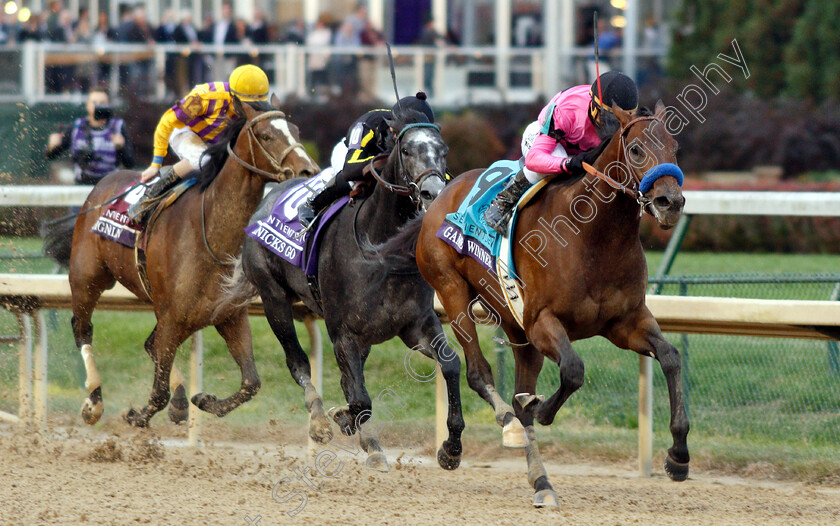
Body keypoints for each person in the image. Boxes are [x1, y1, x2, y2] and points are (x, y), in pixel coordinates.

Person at [483, 71, 639, 234]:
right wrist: (568, 164)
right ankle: (501, 204)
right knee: (558, 163)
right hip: (545, 141)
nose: (612, 127)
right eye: (608, 119)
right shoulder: (568, 110)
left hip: (582, 151)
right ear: (594, 105)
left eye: (618, 120)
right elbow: (534, 158)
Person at [128, 64, 270, 223]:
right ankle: (148, 199)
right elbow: (166, 123)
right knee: (202, 160)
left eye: (255, 105)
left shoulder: (256, 105)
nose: (250, 109)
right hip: (186, 132)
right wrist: (156, 163)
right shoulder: (205, 97)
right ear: (233, 95)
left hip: (216, 143)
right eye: (246, 104)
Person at [297, 92, 435, 228]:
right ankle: (313, 204)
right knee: (358, 179)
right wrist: (383, 164)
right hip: (351, 155)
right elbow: (350, 170)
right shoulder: (369, 124)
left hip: (388, 161)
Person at [45, 88, 135, 185]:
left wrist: (121, 147)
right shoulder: (76, 127)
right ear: (87, 105)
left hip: (111, 188)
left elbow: (130, 163)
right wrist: (52, 146)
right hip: (83, 185)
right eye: (94, 102)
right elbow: (50, 156)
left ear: (108, 105)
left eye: (102, 103)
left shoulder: (118, 127)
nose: (98, 106)